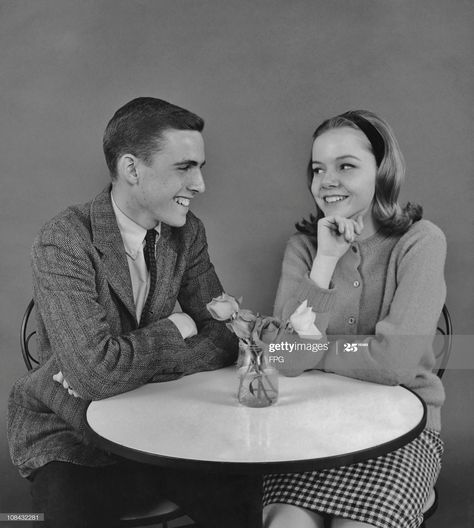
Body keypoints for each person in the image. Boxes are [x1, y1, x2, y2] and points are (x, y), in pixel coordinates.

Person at [7, 97, 255, 527]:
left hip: (163, 424)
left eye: (201, 168)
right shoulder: (64, 239)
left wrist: (130, 364)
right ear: (132, 169)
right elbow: (95, 374)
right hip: (73, 436)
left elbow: (226, 336)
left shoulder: (187, 232)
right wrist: (179, 326)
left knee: (245, 499)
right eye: (184, 167)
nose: (199, 185)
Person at [263, 110, 446, 528]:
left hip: (402, 430)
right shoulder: (304, 249)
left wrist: (316, 349)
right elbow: (287, 360)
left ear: (382, 171)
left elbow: (395, 363)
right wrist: (326, 259)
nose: (327, 180)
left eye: (345, 166)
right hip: (312, 424)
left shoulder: (420, 242)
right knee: (284, 525)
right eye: (317, 169)